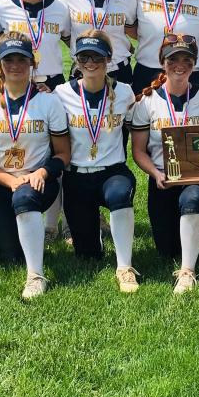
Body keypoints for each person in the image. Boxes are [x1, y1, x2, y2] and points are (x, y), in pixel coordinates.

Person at [0, 34, 71, 299]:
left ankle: (35, 276)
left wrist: (42, 172)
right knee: (11, 254)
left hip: (37, 181)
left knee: (25, 197)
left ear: (32, 64)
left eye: (22, 60)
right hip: (1, 182)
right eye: (8, 59)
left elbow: (63, 153)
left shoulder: (48, 101)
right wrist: (9, 180)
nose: (15, 65)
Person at [54, 31, 140, 292]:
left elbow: (141, 126)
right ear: (76, 60)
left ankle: (125, 266)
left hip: (112, 171)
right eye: (84, 57)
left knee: (119, 196)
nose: (91, 63)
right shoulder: (60, 94)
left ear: (109, 59)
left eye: (98, 57)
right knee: (87, 254)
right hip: (76, 175)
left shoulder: (124, 93)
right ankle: (94, 238)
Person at [130, 35, 199, 293]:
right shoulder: (147, 100)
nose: (180, 65)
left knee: (193, 200)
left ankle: (188, 270)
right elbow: (138, 151)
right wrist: (155, 173)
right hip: (163, 180)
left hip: (195, 178)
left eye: (187, 59)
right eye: (173, 59)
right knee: (166, 250)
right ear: (162, 63)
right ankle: (189, 230)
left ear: (195, 64)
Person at [0, 0, 71, 91]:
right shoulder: (0, 7)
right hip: (16, 82)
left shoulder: (61, 8)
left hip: (53, 82)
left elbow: (70, 42)